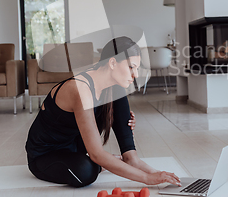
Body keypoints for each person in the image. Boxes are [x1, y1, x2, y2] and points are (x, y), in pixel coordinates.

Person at [25, 36, 181, 188]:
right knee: (85, 171)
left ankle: (124, 159)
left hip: (77, 145)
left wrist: (158, 174)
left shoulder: (113, 88)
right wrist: (147, 178)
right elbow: (96, 155)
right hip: (46, 154)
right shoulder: (80, 89)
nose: (136, 75)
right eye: (131, 67)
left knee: (117, 91)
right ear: (112, 62)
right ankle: (103, 164)